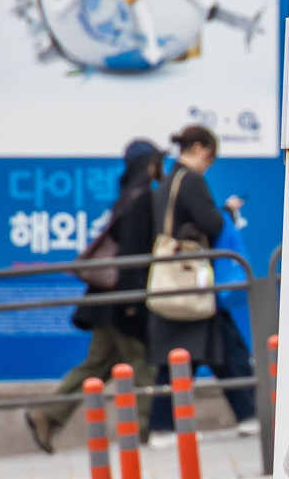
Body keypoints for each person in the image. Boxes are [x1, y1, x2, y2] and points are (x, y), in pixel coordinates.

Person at [27, 140, 163, 452]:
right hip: (123, 303)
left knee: (96, 365)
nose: (160, 167)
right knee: (142, 364)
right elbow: (130, 256)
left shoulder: (127, 197)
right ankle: (141, 432)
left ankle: (47, 414)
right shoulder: (142, 199)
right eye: (156, 161)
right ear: (147, 164)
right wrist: (132, 303)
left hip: (107, 302)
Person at [147, 125, 258, 445]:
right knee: (225, 349)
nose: (207, 165)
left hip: (176, 279)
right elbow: (209, 224)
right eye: (209, 157)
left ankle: (164, 426)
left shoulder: (168, 180)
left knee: (189, 354)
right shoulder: (191, 180)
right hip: (192, 278)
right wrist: (226, 212)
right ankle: (248, 415)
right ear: (198, 148)